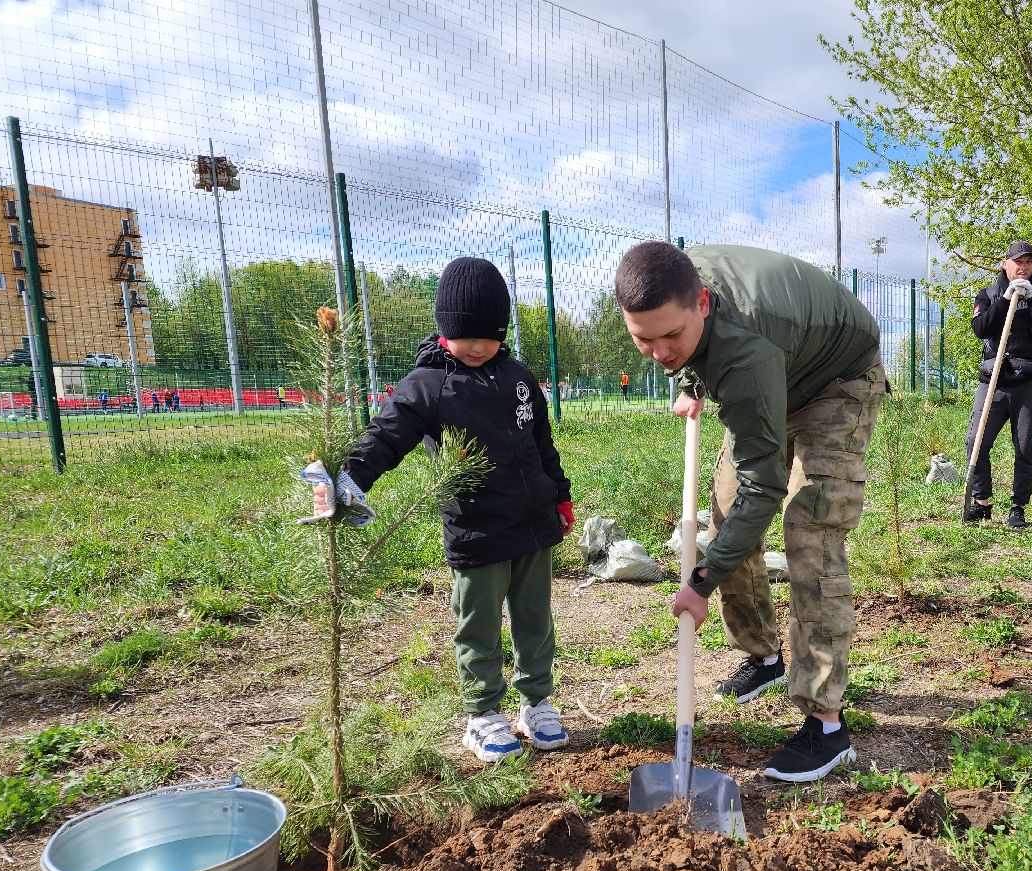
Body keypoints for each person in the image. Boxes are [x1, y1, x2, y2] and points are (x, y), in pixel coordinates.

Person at [615, 241, 886, 783]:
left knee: (811, 529)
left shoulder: (746, 348)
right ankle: (763, 658)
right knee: (723, 515)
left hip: (836, 379)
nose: (661, 351)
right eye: (645, 339)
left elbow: (762, 489)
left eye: (673, 336)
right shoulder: (674, 290)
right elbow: (689, 347)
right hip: (776, 370)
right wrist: (690, 376)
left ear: (703, 303)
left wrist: (703, 577)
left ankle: (827, 726)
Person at [307, 257, 575, 762]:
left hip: (535, 526)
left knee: (535, 618)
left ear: (503, 330)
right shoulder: (426, 385)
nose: (477, 346)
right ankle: (482, 712)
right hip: (476, 532)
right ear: (444, 328)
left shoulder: (519, 378)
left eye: (489, 335)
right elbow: (385, 436)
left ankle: (536, 701)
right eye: (464, 335)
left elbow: (543, 445)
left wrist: (558, 494)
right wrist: (349, 476)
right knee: (477, 622)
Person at [966, 240, 1032, 527]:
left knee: (1025, 444)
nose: (1023, 267)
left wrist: (1030, 301)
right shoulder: (988, 295)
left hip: (1029, 380)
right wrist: (1006, 300)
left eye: (1028, 262)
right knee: (976, 441)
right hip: (993, 379)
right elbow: (981, 329)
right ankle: (982, 503)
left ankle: (1018, 506)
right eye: (1018, 261)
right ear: (1005, 264)